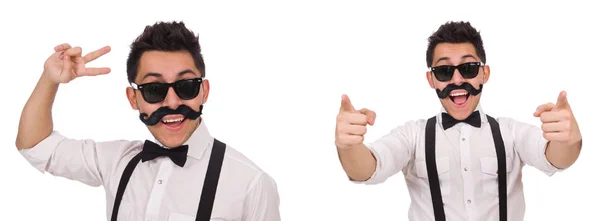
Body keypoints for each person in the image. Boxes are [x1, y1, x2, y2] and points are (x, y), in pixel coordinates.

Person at [16, 21, 281, 221]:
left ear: (204, 92)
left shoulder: (252, 184)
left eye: (186, 86)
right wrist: (49, 79)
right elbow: (35, 145)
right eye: (154, 89)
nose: (173, 102)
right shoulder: (117, 160)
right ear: (134, 98)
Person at [334, 21, 582, 221]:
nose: (456, 80)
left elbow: (555, 157)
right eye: (444, 71)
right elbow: (368, 169)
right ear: (432, 80)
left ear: (484, 73)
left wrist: (569, 140)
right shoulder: (412, 136)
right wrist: (349, 148)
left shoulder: (511, 132)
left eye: (468, 68)